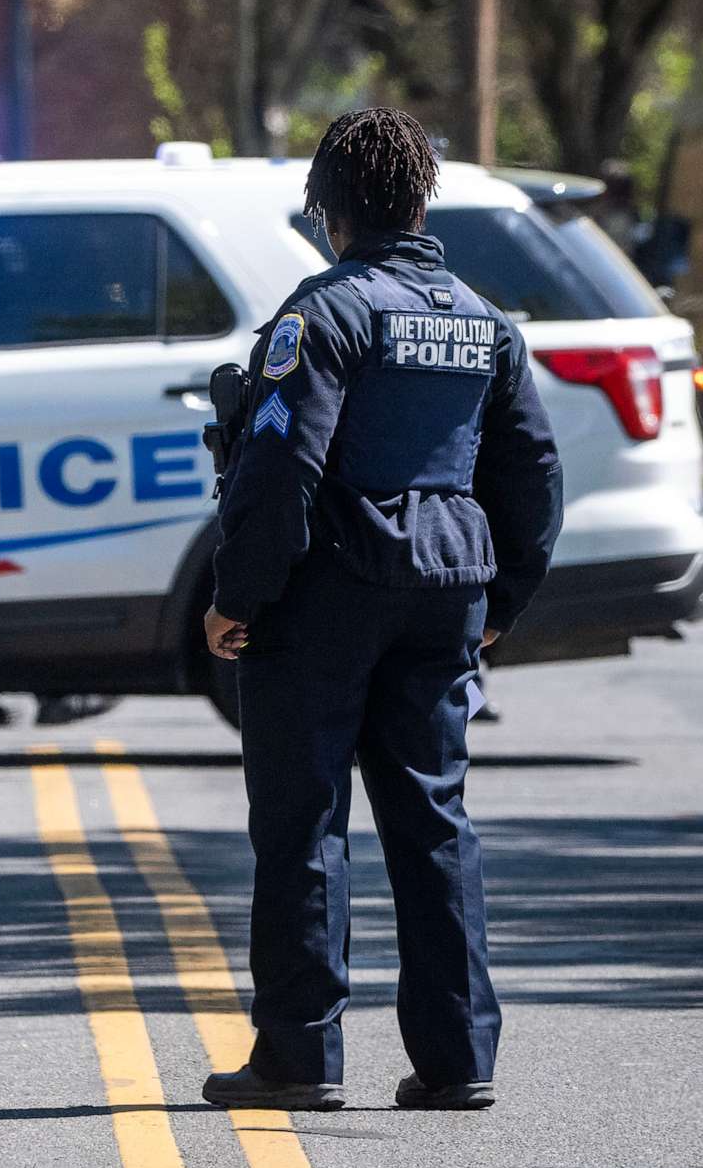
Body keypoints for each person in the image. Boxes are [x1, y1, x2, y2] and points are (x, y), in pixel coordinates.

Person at [200, 107, 562, 1116]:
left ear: (329, 209)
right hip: (448, 592)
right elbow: (533, 470)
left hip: (330, 596)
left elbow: (278, 469)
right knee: (434, 819)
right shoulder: (484, 322)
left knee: (306, 821)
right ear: (419, 201)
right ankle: (457, 1058)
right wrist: (507, 598)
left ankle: (300, 1056)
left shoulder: (322, 315)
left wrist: (237, 598)